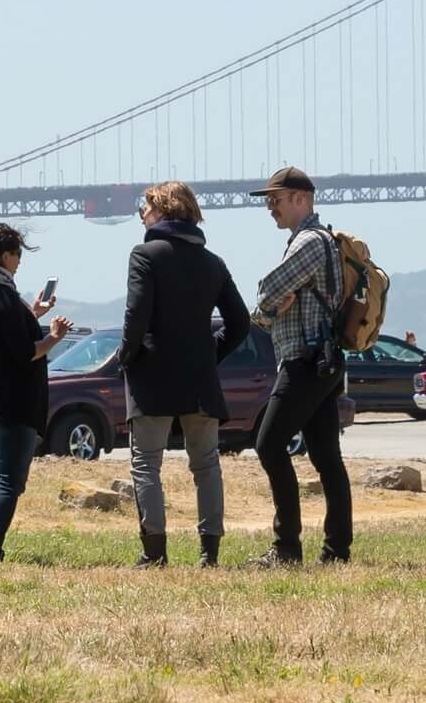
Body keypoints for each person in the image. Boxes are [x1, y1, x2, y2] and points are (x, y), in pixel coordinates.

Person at [121, 181, 249, 568]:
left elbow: (137, 313)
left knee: (146, 463)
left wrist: (126, 357)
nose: (141, 215)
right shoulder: (213, 262)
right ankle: (209, 555)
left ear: (161, 210)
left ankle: (154, 553)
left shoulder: (145, 254)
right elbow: (240, 323)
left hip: (154, 374)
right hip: (200, 379)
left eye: (144, 208)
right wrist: (211, 353)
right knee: (206, 464)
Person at [246, 166, 352, 567]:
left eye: (277, 199)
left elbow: (267, 291)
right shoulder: (318, 240)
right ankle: (336, 550)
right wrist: (271, 309)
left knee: (269, 444)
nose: (270, 208)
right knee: (326, 458)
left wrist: (268, 308)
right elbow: (270, 306)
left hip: (305, 361)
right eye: (269, 201)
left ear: (302, 199)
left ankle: (287, 548)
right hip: (324, 361)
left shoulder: (307, 241)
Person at [0, 221, 68, 562]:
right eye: (16, 255)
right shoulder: (5, 296)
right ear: (4, 256)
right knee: (10, 481)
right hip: (16, 398)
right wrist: (53, 337)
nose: (18, 261)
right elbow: (23, 352)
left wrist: (31, 313)